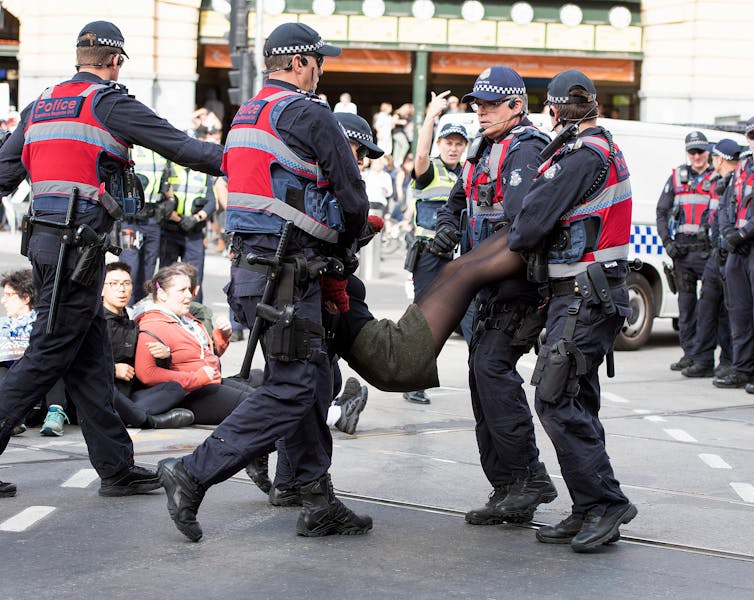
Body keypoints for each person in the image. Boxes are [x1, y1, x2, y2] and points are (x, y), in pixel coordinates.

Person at [157, 22, 372, 542]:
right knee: (295, 386)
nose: (321, 71)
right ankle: (193, 472)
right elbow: (353, 196)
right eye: (319, 61)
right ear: (299, 63)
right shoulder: (308, 113)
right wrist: (348, 243)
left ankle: (315, 498)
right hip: (289, 275)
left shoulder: (248, 114)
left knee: (309, 381)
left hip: (251, 273)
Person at [0, 20, 223, 498]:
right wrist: (241, 159)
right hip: (76, 251)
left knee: (91, 361)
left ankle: (116, 469)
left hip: (45, 244)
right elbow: (180, 147)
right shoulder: (109, 102)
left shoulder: (41, 105)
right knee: (46, 355)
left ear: (79, 57)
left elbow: (4, 171)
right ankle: (115, 469)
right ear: (116, 60)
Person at [506, 70, 637, 552]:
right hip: (586, 295)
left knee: (555, 398)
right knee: (578, 401)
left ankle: (606, 503)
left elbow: (527, 224)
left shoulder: (582, 157)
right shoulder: (597, 150)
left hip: (584, 295)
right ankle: (588, 506)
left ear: (554, 111)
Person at [434, 67, 556, 525]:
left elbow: (524, 227)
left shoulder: (526, 149)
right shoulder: (485, 147)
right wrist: (448, 228)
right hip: (484, 284)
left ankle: (529, 477)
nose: (479, 111)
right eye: (476, 104)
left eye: (489, 104)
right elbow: (457, 201)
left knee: (491, 369)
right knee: (479, 374)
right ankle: (506, 488)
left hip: (517, 286)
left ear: (516, 106)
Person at [403, 90, 471, 404]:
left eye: (459, 143)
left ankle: (484, 378)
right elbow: (418, 157)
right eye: (448, 143)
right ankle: (413, 382)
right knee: (426, 320)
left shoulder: (469, 174)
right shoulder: (429, 171)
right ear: (439, 145)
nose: (454, 148)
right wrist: (431, 116)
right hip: (429, 257)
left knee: (471, 317)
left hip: (461, 259)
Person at [133, 264, 252, 425]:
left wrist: (222, 336)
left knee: (264, 397)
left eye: (189, 289)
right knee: (259, 407)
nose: (189, 295)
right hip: (190, 394)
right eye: (182, 291)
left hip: (208, 384)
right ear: (162, 294)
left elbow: (203, 356)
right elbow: (147, 374)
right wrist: (196, 378)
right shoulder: (152, 324)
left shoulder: (183, 318)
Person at [102, 262, 194, 429]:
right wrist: (113, 369)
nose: (121, 289)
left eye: (126, 283)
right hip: (101, 392)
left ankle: (127, 414)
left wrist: (165, 356)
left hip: (128, 394)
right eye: (113, 284)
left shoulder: (132, 321)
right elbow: (80, 365)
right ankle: (146, 420)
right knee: (101, 387)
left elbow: (144, 368)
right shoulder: (94, 322)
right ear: (101, 289)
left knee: (175, 388)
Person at [657, 130, 717, 372]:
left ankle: (704, 357)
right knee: (686, 307)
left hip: (707, 253)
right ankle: (689, 354)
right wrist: (667, 242)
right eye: (692, 151)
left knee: (709, 310)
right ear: (687, 152)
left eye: (700, 151)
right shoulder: (676, 177)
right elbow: (661, 212)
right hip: (681, 253)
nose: (697, 156)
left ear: (708, 152)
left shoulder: (717, 178)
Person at [681, 139, 738, 379]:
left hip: (730, 253)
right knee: (706, 309)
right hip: (715, 253)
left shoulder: (736, 180)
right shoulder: (719, 181)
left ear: (719, 158)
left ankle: (727, 361)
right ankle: (703, 358)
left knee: (728, 312)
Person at [0, 269, 68, 437]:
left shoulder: (43, 323)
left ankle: (56, 413)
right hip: (16, 400)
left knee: (53, 358)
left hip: (42, 397)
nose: (3, 301)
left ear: (26, 298)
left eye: (9, 295)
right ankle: (10, 419)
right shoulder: (3, 326)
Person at [716, 117, 754, 390]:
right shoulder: (741, 170)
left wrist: (742, 234)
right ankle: (743, 369)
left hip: (748, 243)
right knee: (738, 313)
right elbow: (725, 206)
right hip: (737, 250)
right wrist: (729, 232)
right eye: (751, 135)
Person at [160, 128, 217, 303]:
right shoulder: (169, 168)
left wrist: (195, 218)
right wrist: (178, 218)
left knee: (194, 276)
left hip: (194, 231)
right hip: (171, 229)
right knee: (166, 275)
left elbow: (211, 202)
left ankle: (195, 316)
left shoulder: (203, 171)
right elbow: (163, 197)